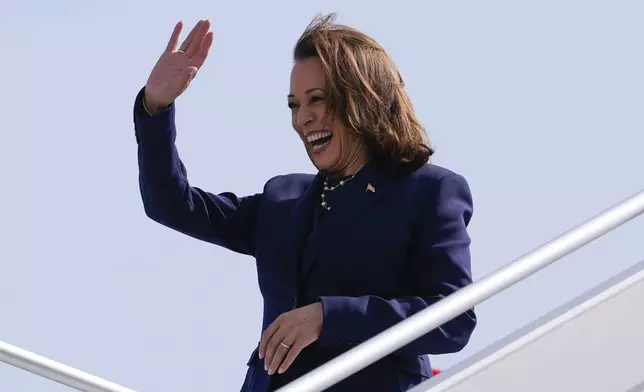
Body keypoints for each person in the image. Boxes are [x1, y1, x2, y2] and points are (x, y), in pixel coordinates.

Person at [133, 14, 477, 392]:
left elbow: (452, 321)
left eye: (317, 99)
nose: (303, 118)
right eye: (293, 105)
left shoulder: (429, 190)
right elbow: (171, 204)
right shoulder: (283, 199)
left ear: (363, 97)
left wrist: (329, 316)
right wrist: (155, 107)